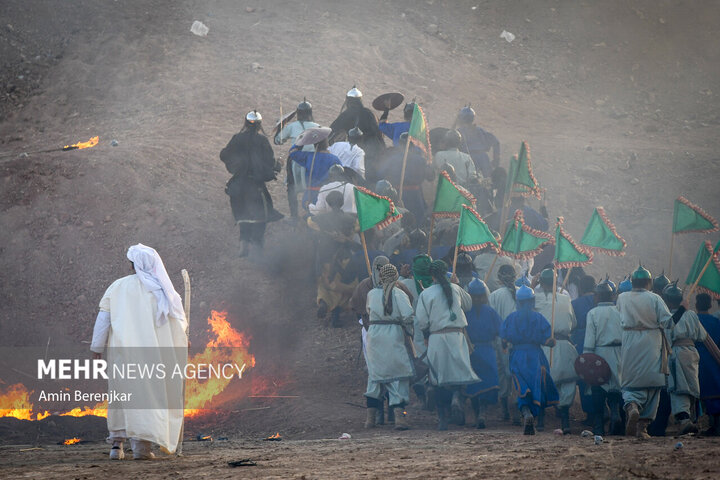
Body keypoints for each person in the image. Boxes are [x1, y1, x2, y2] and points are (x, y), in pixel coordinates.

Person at [90, 244, 187, 460]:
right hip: (153, 357)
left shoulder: (117, 287)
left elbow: (103, 319)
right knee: (147, 398)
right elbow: (176, 325)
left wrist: (97, 348)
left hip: (122, 355)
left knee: (121, 397)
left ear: (133, 265)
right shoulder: (163, 291)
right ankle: (142, 449)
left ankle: (116, 446)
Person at [415, 260, 478, 430]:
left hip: (437, 337)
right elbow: (469, 305)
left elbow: (422, 320)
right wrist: (456, 284)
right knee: (458, 372)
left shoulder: (426, 294)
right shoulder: (456, 289)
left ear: (432, 275)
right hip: (457, 335)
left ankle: (442, 418)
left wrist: (426, 336)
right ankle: (456, 396)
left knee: (437, 378)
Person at [616, 265, 673, 438]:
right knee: (653, 385)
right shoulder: (655, 298)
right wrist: (684, 309)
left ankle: (632, 404)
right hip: (651, 342)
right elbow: (670, 322)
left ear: (632, 282)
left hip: (629, 342)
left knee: (629, 381)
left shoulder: (622, 297)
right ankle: (642, 426)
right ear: (649, 282)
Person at [220, 110, 283, 257]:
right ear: (259, 125)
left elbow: (224, 154)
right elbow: (268, 163)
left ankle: (243, 242)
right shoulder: (262, 141)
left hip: (237, 184)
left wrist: (237, 165)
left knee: (242, 214)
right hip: (255, 186)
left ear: (245, 123)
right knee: (263, 212)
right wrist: (278, 165)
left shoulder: (236, 138)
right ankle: (257, 245)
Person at [500, 284, 559, 435]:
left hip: (518, 356)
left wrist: (505, 345)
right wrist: (551, 341)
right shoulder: (539, 317)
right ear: (532, 301)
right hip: (535, 355)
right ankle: (539, 421)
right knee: (538, 385)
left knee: (522, 387)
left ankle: (526, 413)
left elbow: (504, 339)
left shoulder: (511, 318)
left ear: (518, 302)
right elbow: (548, 341)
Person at [364, 264, 416, 430]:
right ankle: (400, 418)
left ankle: (370, 419)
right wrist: (410, 332)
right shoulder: (399, 294)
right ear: (395, 278)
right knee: (398, 374)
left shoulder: (371, 294)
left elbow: (368, 311)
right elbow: (408, 316)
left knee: (375, 374)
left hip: (374, 336)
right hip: (393, 334)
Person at [534, 268, 578, 434]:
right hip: (565, 345)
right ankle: (565, 421)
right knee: (567, 384)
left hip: (545, 346)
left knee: (542, 382)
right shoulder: (566, 299)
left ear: (540, 283)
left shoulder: (535, 299)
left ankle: (540, 421)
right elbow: (573, 323)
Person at [661, 283, 707, 435]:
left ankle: (685, 421)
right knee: (691, 385)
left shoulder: (668, 318)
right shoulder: (692, 315)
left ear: (667, 301)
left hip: (676, 353)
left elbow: (666, 337)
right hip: (692, 352)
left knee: (678, 387)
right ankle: (692, 420)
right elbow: (702, 336)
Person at [584, 281, 624, 436]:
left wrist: (587, 360)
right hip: (618, 352)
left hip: (599, 354)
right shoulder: (619, 311)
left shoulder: (593, 313)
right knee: (616, 385)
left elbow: (589, 340)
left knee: (598, 387)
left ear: (598, 296)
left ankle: (599, 426)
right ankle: (615, 412)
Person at [464, 278, 501, 428]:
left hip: (473, 351)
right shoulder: (489, 312)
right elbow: (501, 330)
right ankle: (481, 413)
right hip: (483, 351)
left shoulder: (466, 312)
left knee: (476, 384)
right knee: (484, 382)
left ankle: (479, 413)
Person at [275, 99, 319, 218]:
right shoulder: (318, 127)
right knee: (313, 189)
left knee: (292, 189)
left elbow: (278, 140)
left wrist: (280, 127)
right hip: (312, 163)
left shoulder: (292, 126)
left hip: (295, 161)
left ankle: (294, 217)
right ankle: (312, 216)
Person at [489, 264, 520, 423]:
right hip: (519, 341)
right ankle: (517, 409)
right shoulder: (522, 292)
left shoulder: (494, 295)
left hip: (500, 341)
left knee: (503, 375)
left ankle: (505, 410)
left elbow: (492, 320)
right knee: (516, 373)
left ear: (499, 278)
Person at [330, 86, 384, 176]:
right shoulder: (369, 113)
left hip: (356, 150)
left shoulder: (346, 115)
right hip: (374, 152)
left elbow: (332, 131)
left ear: (348, 100)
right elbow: (379, 134)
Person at [376, 133, 428, 222]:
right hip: (416, 195)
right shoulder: (420, 159)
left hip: (399, 194)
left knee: (400, 219)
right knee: (419, 219)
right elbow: (430, 176)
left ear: (400, 145)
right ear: (412, 146)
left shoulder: (393, 159)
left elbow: (380, 173)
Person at [572, 275, 598, 424]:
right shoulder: (600, 300)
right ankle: (603, 409)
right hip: (600, 341)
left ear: (580, 288)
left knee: (584, 377)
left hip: (581, 341)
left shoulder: (575, 303)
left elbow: (572, 324)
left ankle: (590, 414)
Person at [289, 136, 342, 207]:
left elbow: (292, 152)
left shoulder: (308, 156)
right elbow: (341, 175)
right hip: (329, 196)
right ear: (327, 145)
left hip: (310, 196)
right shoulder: (334, 159)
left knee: (310, 214)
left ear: (314, 145)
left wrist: (301, 142)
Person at [696, 293, 720, 436]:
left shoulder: (693, 321)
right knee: (715, 393)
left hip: (696, 362)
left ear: (697, 305)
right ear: (710, 305)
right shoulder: (715, 322)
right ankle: (715, 425)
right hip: (713, 361)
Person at [317, 247, 359, 327]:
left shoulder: (332, 266)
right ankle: (334, 318)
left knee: (330, 293)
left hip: (335, 287)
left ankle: (324, 304)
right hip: (347, 288)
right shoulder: (350, 262)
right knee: (340, 297)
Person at [455, 106, 500, 178]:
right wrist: (496, 161)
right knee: (486, 182)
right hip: (483, 159)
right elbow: (496, 142)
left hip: (467, 159)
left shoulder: (458, 132)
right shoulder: (480, 130)